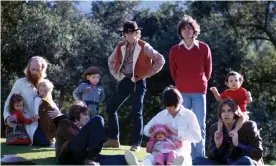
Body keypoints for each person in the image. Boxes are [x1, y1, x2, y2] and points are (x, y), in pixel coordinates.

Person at [104, 20, 165, 151]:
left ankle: (136, 144)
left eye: (133, 32)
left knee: (136, 112)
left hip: (139, 81)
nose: (130, 35)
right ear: (124, 35)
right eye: (127, 32)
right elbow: (110, 60)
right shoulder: (120, 46)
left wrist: (148, 74)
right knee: (110, 108)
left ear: (138, 33)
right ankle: (113, 139)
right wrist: (117, 75)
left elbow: (160, 60)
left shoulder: (144, 46)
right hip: (125, 80)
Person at [169, 15, 212, 159]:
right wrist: (182, 83)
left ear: (195, 31)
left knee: (199, 125)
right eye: (184, 28)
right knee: (182, 125)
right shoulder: (175, 50)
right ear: (180, 32)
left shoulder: (204, 48)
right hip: (181, 93)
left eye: (189, 28)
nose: (187, 31)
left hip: (199, 92)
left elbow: (208, 71)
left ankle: (199, 157)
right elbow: (173, 71)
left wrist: (200, 82)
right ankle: (181, 157)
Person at [126, 86, 201, 166]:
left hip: (180, 152)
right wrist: (151, 130)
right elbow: (146, 129)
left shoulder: (189, 115)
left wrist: (176, 132)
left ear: (179, 102)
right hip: (160, 151)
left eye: (172, 106)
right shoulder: (162, 115)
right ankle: (140, 165)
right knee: (150, 158)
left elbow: (197, 137)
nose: (169, 108)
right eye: (167, 106)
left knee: (181, 159)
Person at [3, 56, 62, 146]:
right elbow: (8, 103)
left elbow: (50, 101)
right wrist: (7, 118)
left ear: (42, 70)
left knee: (64, 119)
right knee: (43, 142)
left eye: (37, 70)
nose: (34, 72)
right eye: (32, 69)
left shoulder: (45, 83)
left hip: (47, 119)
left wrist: (56, 110)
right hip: (31, 123)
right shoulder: (20, 83)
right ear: (28, 68)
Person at [55, 101, 131, 165]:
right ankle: (90, 159)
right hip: (69, 156)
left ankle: (93, 162)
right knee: (98, 118)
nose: (87, 117)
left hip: (83, 156)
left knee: (121, 158)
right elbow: (72, 139)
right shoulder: (65, 123)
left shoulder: (82, 130)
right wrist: (87, 132)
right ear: (76, 113)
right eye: (85, 114)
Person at [193, 99, 263, 165]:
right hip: (223, 163)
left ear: (235, 112)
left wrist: (238, 144)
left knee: (246, 161)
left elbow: (258, 153)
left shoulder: (249, 126)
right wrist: (217, 146)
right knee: (198, 161)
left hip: (240, 163)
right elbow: (211, 157)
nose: (226, 114)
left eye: (229, 110)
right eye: (223, 111)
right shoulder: (215, 128)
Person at [210, 70, 252, 135]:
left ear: (240, 82)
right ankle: (219, 131)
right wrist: (215, 92)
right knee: (221, 118)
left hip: (241, 112)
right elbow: (219, 99)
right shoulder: (227, 92)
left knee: (243, 118)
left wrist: (249, 97)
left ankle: (235, 130)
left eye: (236, 80)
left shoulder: (243, 91)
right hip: (230, 113)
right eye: (231, 81)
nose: (233, 82)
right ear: (227, 83)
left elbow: (249, 101)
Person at [33, 79, 59, 145]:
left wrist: (56, 110)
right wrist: (36, 114)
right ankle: (49, 141)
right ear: (38, 90)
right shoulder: (38, 99)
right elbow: (35, 106)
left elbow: (55, 106)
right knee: (45, 130)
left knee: (53, 129)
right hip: (43, 120)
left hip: (50, 119)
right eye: (41, 90)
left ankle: (55, 141)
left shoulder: (49, 99)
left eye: (45, 91)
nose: (43, 93)